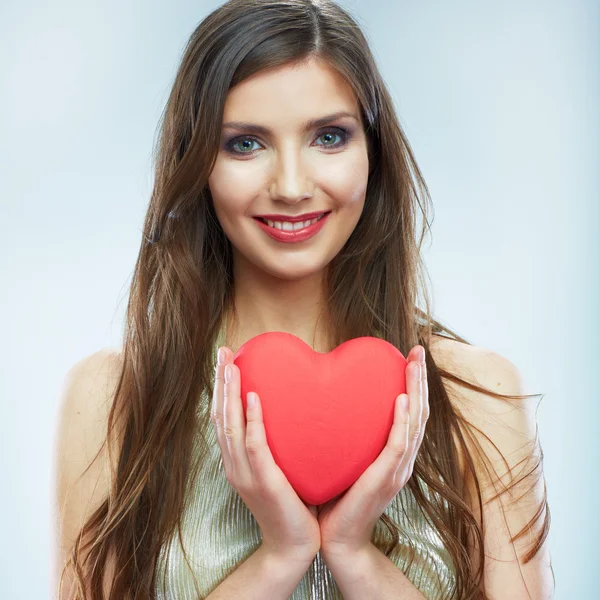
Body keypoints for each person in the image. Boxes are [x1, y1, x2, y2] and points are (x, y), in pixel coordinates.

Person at [52, 0, 555, 598]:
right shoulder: (117, 400)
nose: (291, 187)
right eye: (245, 144)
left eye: (328, 136)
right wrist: (280, 553)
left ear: (374, 153)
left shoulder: (477, 398)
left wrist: (353, 552)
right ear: (198, 162)